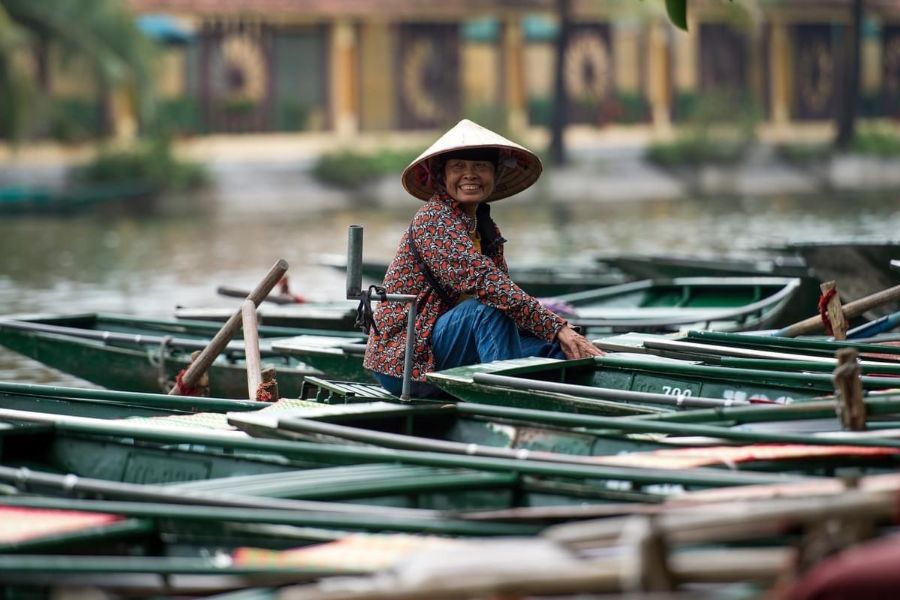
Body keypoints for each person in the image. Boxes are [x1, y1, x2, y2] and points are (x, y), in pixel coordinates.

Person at [363, 118, 603, 397]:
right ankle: (506, 403)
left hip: (447, 348)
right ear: (443, 176)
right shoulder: (433, 218)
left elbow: (505, 297)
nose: (470, 174)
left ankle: (565, 400)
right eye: (459, 167)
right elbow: (488, 286)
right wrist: (555, 325)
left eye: (480, 167)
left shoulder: (485, 228)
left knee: (554, 347)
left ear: (495, 174)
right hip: (406, 360)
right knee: (490, 309)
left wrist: (560, 333)